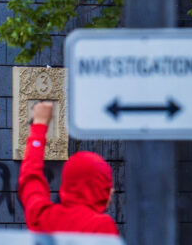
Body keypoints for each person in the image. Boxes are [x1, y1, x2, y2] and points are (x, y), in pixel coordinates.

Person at [19, 101, 118, 235]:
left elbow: (30, 177)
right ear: (100, 188)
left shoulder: (43, 217)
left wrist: (39, 125)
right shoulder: (101, 226)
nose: (111, 190)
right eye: (106, 185)